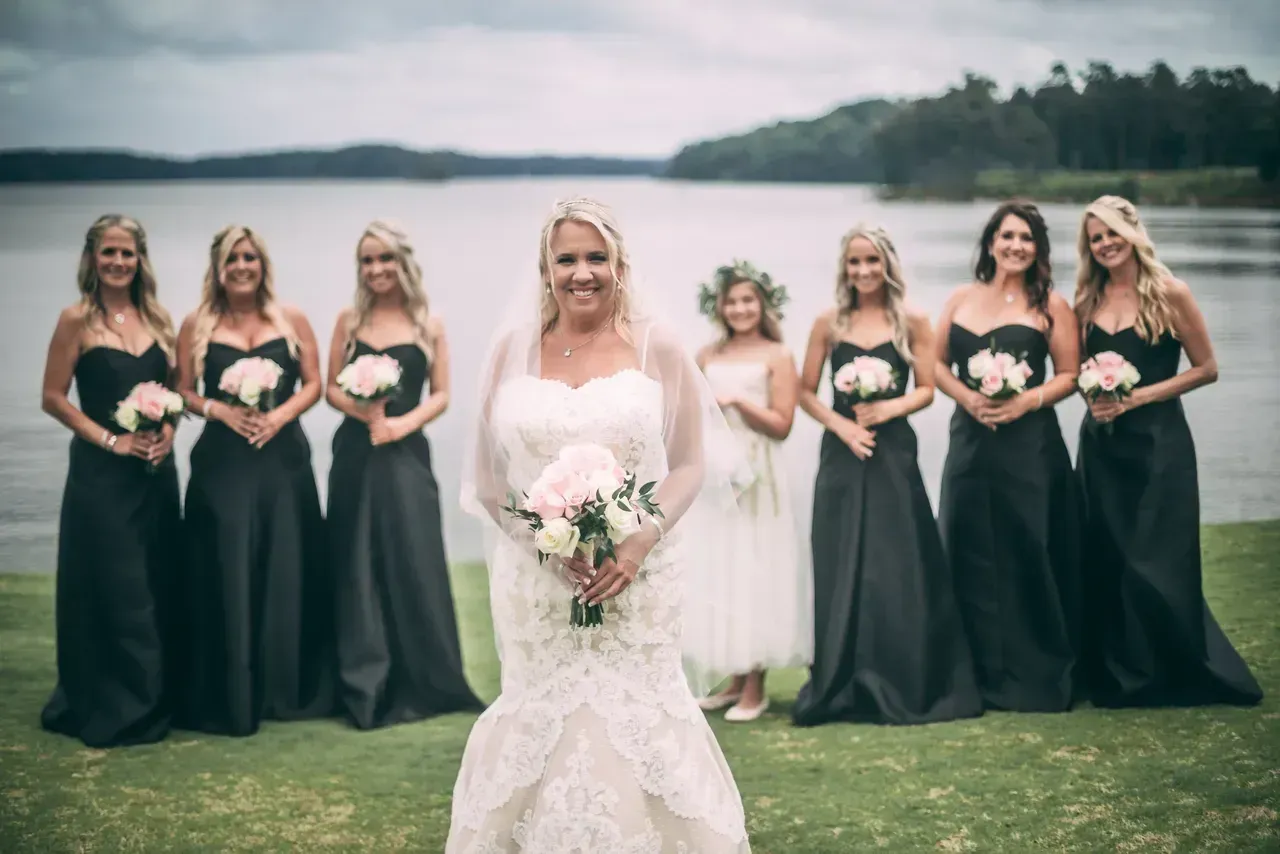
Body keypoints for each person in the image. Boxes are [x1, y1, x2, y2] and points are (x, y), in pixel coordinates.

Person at [447, 198, 750, 852]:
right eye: (566, 259)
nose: (582, 273)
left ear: (619, 265)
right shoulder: (509, 351)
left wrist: (642, 537)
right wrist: (541, 544)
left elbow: (691, 465)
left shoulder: (656, 347)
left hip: (637, 575)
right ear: (544, 269)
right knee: (540, 714)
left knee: (636, 716)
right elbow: (488, 481)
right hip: (538, 585)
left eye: (595, 258)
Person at [1073, 195, 1262, 708]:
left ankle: (1172, 670)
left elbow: (1207, 368)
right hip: (1102, 446)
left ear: (1133, 233)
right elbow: (1074, 373)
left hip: (1158, 444)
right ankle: (1117, 672)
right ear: (1088, 248)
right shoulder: (1085, 302)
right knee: (1108, 555)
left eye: (1113, 232)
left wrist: (1139, 397)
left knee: (1155, 559)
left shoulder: (1170, 292)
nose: (1106, 243)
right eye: (1096, 237)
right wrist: (1094, 395)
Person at [791, 225, 982, 726]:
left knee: (897, 561)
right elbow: (806, 391)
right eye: (854, 263)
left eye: (871, 261)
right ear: (844, 268)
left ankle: (901, 675)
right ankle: (842, 679)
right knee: (842, 558)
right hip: (841, 452)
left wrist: (889, 408)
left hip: (894, 450)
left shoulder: (913, 321)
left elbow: (926, 390)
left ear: (887, 264)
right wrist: (844, 428)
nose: (863, 271)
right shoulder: (828, 323)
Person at [175, 224, 335, 736]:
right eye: (231, 260)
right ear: (217, 269)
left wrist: (280, 415)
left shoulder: (290, 319)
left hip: (283, 460)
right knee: (227, 563)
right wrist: (219, 410)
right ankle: (229, 682)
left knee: (286, 563)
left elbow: (315, 384)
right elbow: (181, 392)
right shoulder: (197, 323)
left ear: (262, 264)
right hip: (223, 465)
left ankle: (285, 685)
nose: (241, 267)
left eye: (249, 258)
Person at [325, 220, 484, 729]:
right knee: (357, 560)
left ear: (402, 263)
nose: (376, 270)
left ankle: (429, 676)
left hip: (406, 455)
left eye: (385, 259)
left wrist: (400, 425)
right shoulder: (349, 321)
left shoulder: (427, 323)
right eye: (368, 261)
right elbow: (330, 386)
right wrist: (362, 411)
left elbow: (441, 393)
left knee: (412, 557)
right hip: (355, 453)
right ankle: (363, 681)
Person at [39, 214, 182, 747]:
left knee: (157, 579)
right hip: (101, 475)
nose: (119, 262)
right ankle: (120, 703)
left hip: (156, 474)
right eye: (109, 252)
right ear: (92, 258)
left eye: (128, 253)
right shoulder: (76, 320)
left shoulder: (159, 319)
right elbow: (53, 397)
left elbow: (174, 390)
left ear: (140, 259)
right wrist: (110, 440)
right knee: (118, 586)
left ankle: (161, 694)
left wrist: (167, 430)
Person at [934, 201, 1083, 713]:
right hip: (970, 441)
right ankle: (973, 670)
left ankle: (1035, 667)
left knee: (1029, 544)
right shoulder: (960, 298)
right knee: (967, 540)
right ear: (991, 243)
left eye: (1026, 238)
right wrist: (967, 396)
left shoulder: (1052, 307)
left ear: (1038, 248)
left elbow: (1069, 374)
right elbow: (933, 364)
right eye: (1007, 236)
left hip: (1030, 445)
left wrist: (1025, 400)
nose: (1016, 245)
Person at [689, 260, 811, 722]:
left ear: (762, 305)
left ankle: (756, 687)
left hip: (760, 474)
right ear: (719, 306)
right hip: (718, 475)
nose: (740, 308)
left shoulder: (778, 356)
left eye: (748, 300)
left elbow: (783, 425)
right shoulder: (705, 355)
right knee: (723, 568)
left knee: (757, 567)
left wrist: (739, 402)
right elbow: (693, 416)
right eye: (732, 301)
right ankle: (734, 678)